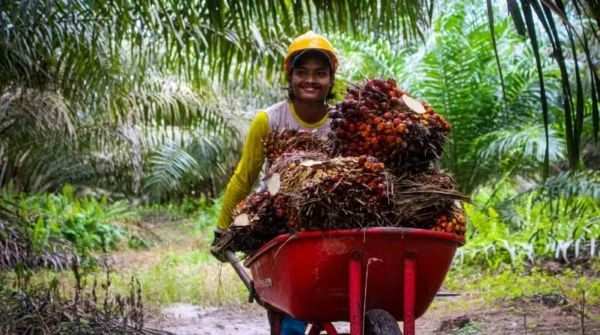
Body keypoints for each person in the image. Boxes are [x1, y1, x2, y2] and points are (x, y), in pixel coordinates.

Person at [210, 31, 338, 335]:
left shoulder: (341, 121)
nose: (311, 80)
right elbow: (244, 179)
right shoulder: (269, 121)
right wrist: (221, 227)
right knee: (289, 303)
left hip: (329, 217)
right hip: (277, 218)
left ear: (331, 80)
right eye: (302, 72)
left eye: (320, 73)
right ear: (290, 77)